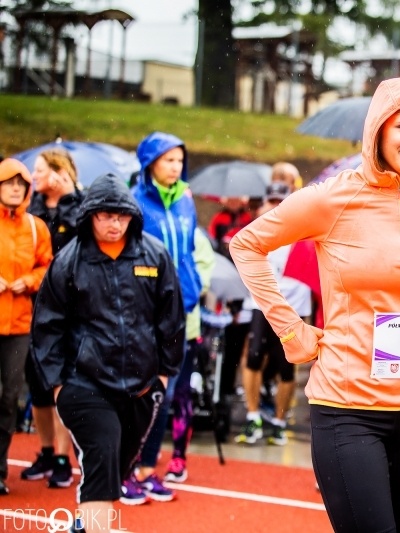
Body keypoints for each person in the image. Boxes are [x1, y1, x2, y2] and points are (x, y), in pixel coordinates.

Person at [230, 77, 400, 532]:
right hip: (348, 409)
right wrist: (290, 329)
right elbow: (247, 245)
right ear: (378, 128)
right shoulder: (332, 197)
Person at [31, 173, 184, 529]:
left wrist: (162, 375)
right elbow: (47, 325)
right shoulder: (69, 261)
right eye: (105, 215)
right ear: (90, 216)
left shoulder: (154, 254)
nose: (115, 224)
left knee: (116, 465)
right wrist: (57, 384)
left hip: (142, 386)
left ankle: (87, 524)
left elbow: (171, 319)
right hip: (83, 382)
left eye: (122, 215)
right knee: (101, 450)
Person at [129, 131, 202, 503]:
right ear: (150, 163)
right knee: (144, 391)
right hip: (147, 314)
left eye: (179, 160)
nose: (175, 167)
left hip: (183, 312)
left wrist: (194, 288)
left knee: (168, 392)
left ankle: (147, 469)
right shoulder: (135, 202)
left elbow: (189, 251)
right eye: (168, 160)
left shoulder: (186, 202)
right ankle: (129, 468)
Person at [21, 148, 85, 489]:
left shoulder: (79, 207)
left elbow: (84, 241)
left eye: (40, 170)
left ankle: (62, 456)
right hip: (31, 307)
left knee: (62, 383)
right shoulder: (29, 210)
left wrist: (71, 192)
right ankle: (46, 451)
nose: (34, 176)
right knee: (37, 385)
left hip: (67, 310)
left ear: (59, 172)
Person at [235, 182, 314, 446]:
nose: (276, 207)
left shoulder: (302, 231)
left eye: (282, 201)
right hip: (262, 305)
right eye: (272, 201)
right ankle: (253, 415)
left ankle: (280, 421)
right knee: (254, 356)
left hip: (294, 307)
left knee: (287, 367)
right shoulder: (255, 232)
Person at [0, 158, 52, 496]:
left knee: (8, 399)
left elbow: (47, 266)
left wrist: (29, 281)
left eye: (21, 183)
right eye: (9, 182)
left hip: (19, 324)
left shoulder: (36, 228)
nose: (16, 188)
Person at [164, 227, 215, 483]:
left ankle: (178, 457)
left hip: (186, 328)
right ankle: (139, 458)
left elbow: (202, 281)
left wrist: (171, 288)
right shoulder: (145, 225)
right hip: (149, 330)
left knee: (179, 393)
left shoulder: (194, 236)